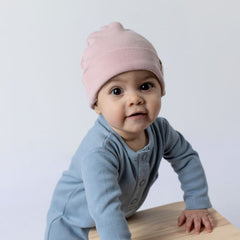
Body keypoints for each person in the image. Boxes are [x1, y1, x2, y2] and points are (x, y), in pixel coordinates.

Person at [45, 22, 214, 240]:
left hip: (117, 219)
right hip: (73, 225)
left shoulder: (160, 130)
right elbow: (105, 208)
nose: (135, 99)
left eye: (145, 86)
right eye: (117, 91)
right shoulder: (100, 151)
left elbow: (186, 158)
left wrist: (197, 204)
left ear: (161, 89)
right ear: (97, 105)